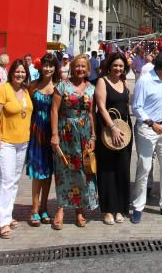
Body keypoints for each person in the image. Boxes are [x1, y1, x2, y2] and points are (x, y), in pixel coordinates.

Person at [50, 54, 97, 229]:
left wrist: (93, 136)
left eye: (83, 67)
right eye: (77, 66)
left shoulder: (91, 88)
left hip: (84, 135)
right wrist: (54, 134)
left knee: (82, 172)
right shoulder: (62, 86)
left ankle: (79, 209)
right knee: (63, 171)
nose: (80, 69)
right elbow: (54, 111)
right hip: (65, 133)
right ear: (72, 67)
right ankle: (61, 208)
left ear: (88, 69)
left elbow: (92, 114)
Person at [131, 50, 162, 224]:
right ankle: (138, 206)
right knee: (144, 166)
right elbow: (137, 107)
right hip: (148, 129)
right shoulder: (145, 81)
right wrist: (151, 123)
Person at [0, 58, 33, 238]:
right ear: (11, 72)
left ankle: (8, 216)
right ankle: (3, 223)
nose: (20, 74)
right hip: (6, 143)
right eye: (17, 71)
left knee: (14, 181)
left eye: (23, 72)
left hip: (23, 142)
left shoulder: (25, 90)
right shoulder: (3, 90)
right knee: (7, 181)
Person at [95, 52, 132, 225]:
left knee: (122, 169)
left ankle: (120, 208)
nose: (118, 68)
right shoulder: (103, 81)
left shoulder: (124, 82)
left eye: (121, 66)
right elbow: (101, 107)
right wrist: (113, 128)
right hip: (108, 132)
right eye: (115, 65)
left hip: (124, 131)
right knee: (107, 170)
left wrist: (122, 129)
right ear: (109, 66)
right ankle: (108, 210)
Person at [25, 52, 60, 226]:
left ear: (55, 68)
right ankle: (34, 209)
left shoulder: (59, 87)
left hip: (52, 133)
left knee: (48, 172)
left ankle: (45, 207)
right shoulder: (33, 86)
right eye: (45, 65)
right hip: (36, 131)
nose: (47, 68)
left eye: (51, 65)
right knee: (37, 173)